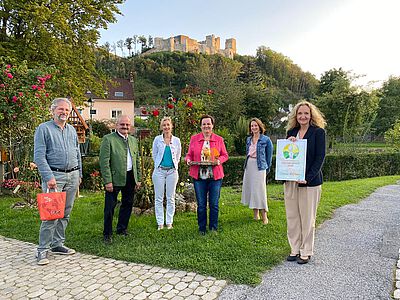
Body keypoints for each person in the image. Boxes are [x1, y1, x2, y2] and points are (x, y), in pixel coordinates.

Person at [34, 97, 82, 265]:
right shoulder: (43, 129)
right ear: (53, 110)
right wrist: (49, 177)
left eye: (67, 110)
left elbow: (77, 153)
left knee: (65, 212)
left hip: (72, 176)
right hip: (54, 177)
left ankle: (57, 244)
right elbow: (39, 156)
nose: (64, 113)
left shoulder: (72, 130)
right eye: (61, 109)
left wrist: (79, 174)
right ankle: (42, 250)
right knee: (51, 215)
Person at [284, 100, 326, 264]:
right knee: (292, 217)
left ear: (311, 115)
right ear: (296, 115)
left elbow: (319, 158)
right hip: (291, 182)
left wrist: (307, 177)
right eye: (300, 113)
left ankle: (306, 251)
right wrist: (290, 144)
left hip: (310, 183)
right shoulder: (291, 132)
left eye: (306, 113)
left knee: (307, 218)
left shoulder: (318, 133)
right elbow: (287, 156)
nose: (303, 116)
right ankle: (294, 248)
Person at [99, 115, 141, 243]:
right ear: (117, 125)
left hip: (130, 177)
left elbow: (137, 160)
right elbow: (104, 162)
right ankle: (107, 234)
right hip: (114, 177)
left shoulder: (133, 140)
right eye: (122, 124)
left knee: (127, 204)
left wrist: (138, 178)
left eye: (127, 125)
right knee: (110, 207)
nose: (125, 127)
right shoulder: (108, 139)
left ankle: (122, 229)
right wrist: (108, 181)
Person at [185, 115, 229, 235]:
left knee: (214, 204)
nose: (206, 126)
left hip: (215, 176)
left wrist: (219, 160)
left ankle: (213, 228)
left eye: (208, 124)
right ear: (200, 126)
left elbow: (225, 155)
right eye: (204, 124)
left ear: (212, 125)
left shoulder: (219, 139)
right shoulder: (194, 139)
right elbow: (189, 155)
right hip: (199, 177)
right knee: (201, 205)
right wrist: (188, 160)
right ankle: (202, 228)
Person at [241, 118, 273, 224]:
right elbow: (247, 153)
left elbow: (269, 156)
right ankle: (256, 215)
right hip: (249, 165)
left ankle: (265, 216)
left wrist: (266, 168)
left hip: (260, 167)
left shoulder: (266, 140)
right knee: (252, 190)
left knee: (260, 191)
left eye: (255, 125)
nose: (254, 127)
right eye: (252, 126)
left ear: (260, 127)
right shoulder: (248, 139)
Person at [152, 117, 181, 230]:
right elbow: (154, 155)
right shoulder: (157, 140)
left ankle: (169, 222)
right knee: (159, 198)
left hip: (172, 172)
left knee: (170, 197)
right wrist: (159, 165)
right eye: (164, 125)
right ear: (161, 127)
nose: (166, 127)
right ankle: (160, 223)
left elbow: (178, 156)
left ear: (171, 126)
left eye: (168, 125)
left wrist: (174, 166)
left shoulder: (177, 141)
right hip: (159, 171)